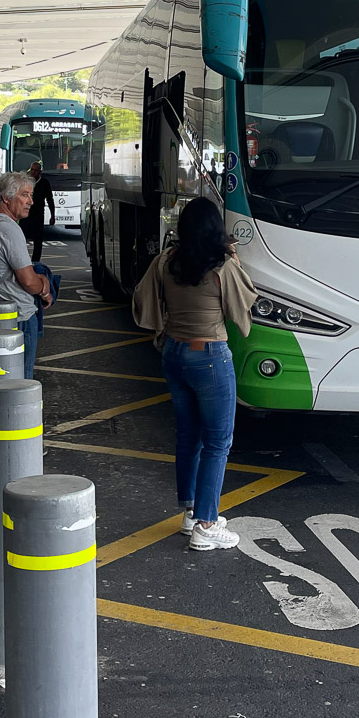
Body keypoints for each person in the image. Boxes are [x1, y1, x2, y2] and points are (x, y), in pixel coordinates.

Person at [131, 199, 257, 552]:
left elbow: (143, 301)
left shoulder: (166, 261)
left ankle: (191, 513)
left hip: (174, 352)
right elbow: (243, 303)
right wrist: (234, 258)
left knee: (189, 435)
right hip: (210, 356)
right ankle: (206, 524)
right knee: (218, 441)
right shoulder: (222, 266)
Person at [0, 172, 53, 379]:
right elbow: (29, 282)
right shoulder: (8, 229)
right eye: (25, 195)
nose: (31, 201)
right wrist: (44, 288)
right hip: (17, 317)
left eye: (31, 195)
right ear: (6, 197)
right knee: (19, 382)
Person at [21, 161, 56, 262]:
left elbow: (50, 200)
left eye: (35, 170)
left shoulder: (44, 183)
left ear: (40, 172)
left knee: (38, 240)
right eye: (31, 170)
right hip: (25, 214)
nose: (33, 172)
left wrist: (52, 215)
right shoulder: (25, 183)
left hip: (38, 215)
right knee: (22, 238)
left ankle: (36, 261)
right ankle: (23, 260)